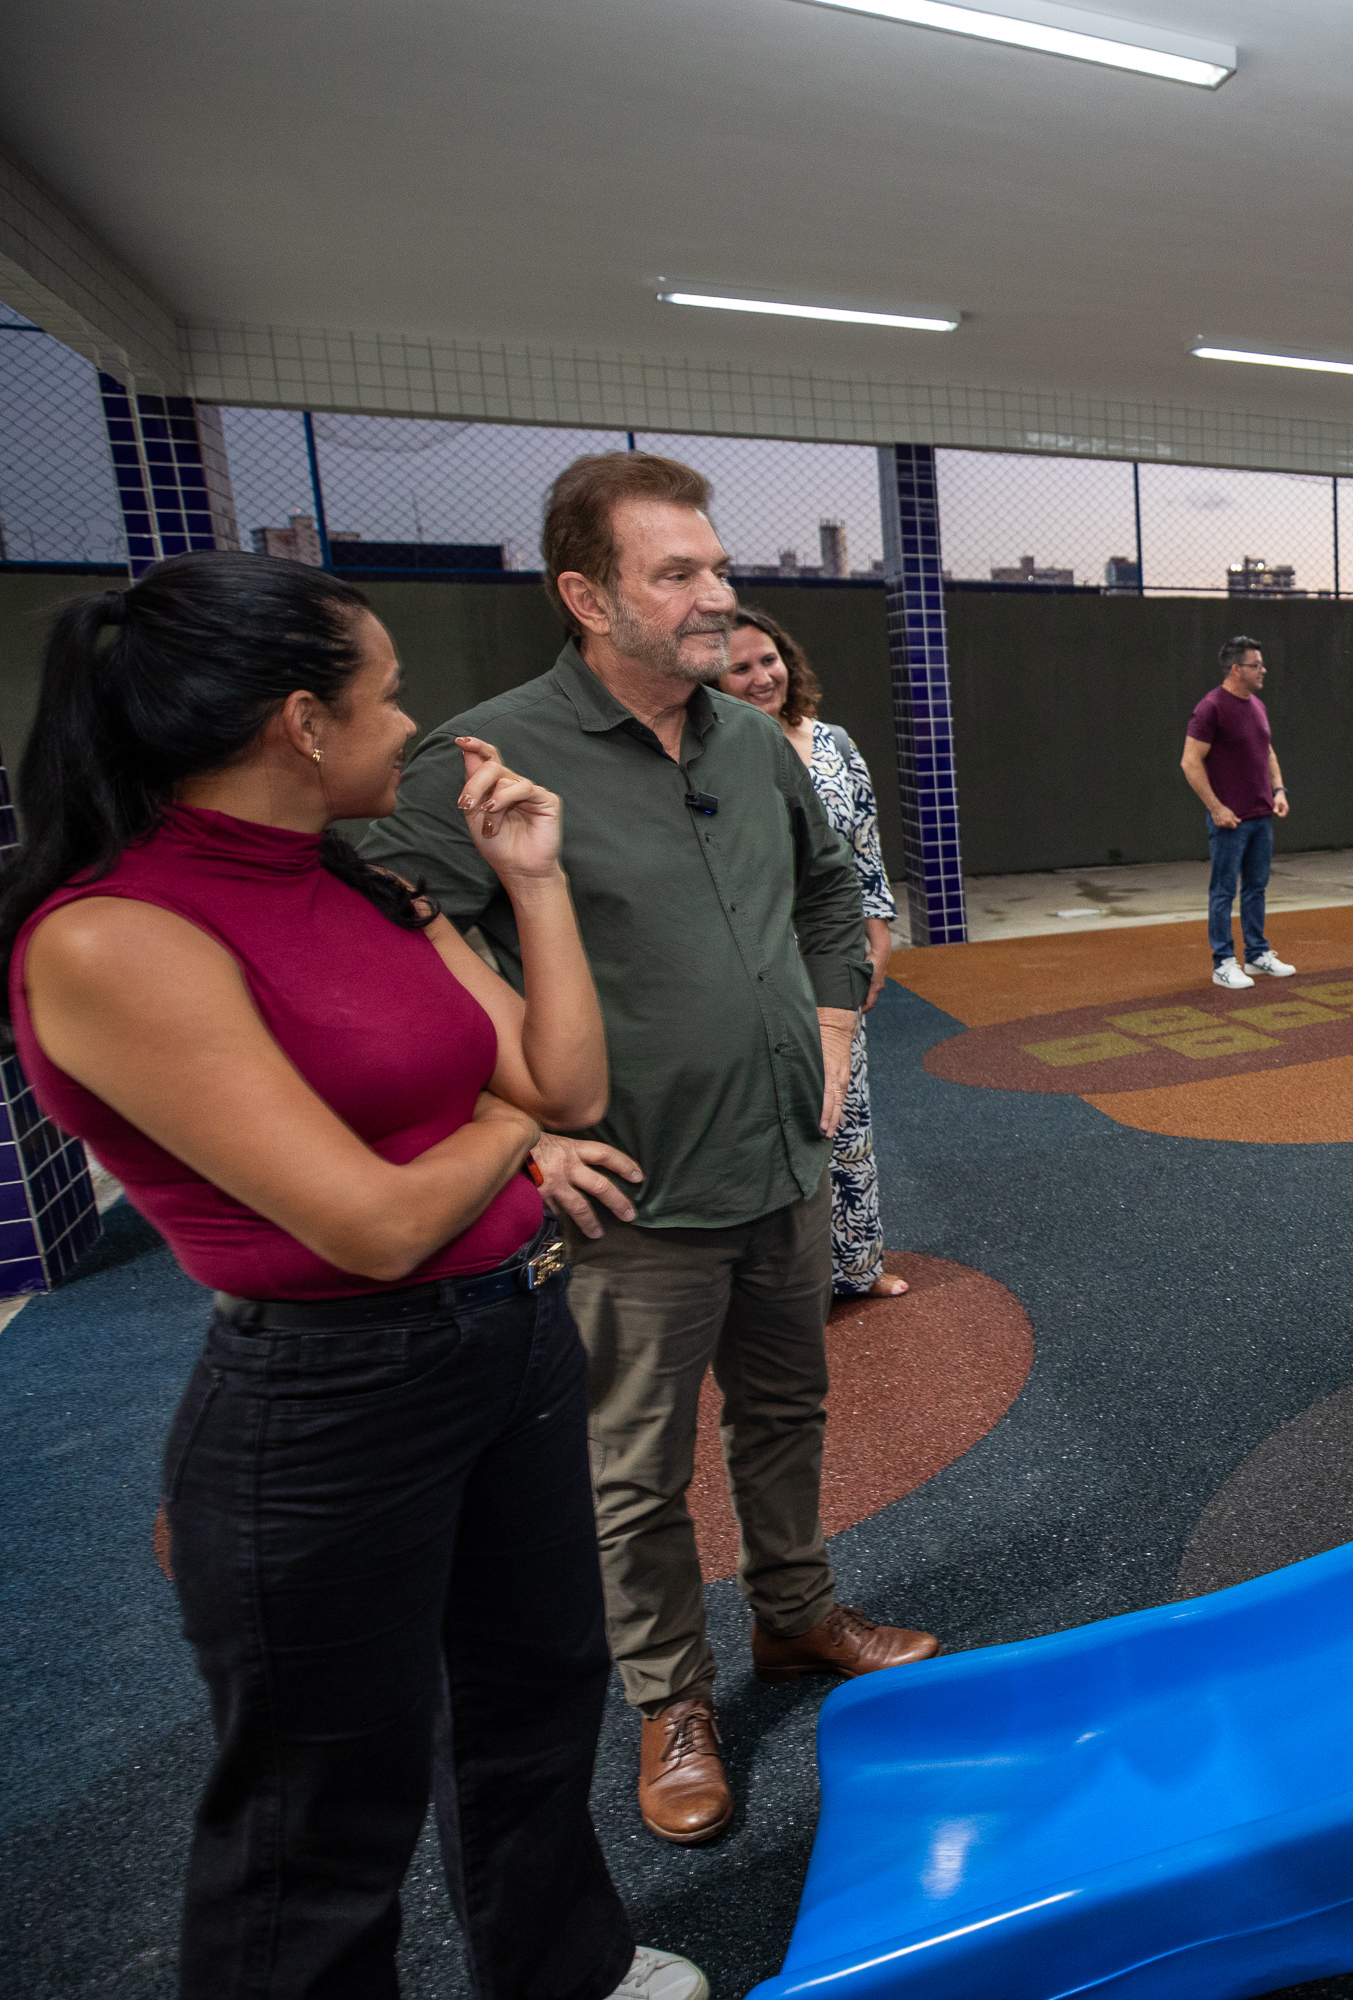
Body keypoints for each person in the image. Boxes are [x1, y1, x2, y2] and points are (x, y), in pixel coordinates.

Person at [0, 552, 703, 2000]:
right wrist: (506, 1133)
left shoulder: (370, 883)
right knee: (321, 1809)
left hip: (514, 1338)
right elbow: (373, 1226)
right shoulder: (112, 935)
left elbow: (568, 1084)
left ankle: (564, 1971)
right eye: (387, 696)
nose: (414, 724)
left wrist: (533, 882)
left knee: (535, 1699)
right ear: (301, 723)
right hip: (328, 1397)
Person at [357, 453, 936, 1852]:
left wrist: (832, 1026)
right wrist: (518, 1138)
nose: (717, 595)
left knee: (786, 1411)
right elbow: (392, 969)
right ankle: (671, 1700)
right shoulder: (482, 762)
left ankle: (794, 1614)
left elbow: (827, 890)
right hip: (632, 1197)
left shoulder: (751, 739)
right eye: (676, 574)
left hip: (780, 1163)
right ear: (585, 595)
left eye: (717, 566)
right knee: (637, 1467)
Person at [719, 607, 906, 1297]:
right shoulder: (709, 753)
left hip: (832, 954)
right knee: (770, 1114)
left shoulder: (832, 742)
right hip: (754, 956)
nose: (761, 677)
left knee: (845, 1105)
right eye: (739, 668)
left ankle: (856, 1266)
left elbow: (864, 840)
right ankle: (785, 1283)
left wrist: (878, 928)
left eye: (768, 660)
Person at [1181, 634, 1297, 990]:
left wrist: (1278, 789)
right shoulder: (1211, 707)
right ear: (1236, 669)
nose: (1264, 670)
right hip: (1230, 822)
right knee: (1223, 892)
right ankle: (1223, 963)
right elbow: (1190, 762)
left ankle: (1257, 954)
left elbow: (1267, 751)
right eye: (1256, 665)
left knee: (1256, 888)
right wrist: (1216, 808)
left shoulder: (1257, 705)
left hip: (1261, 816)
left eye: (1261, 664)